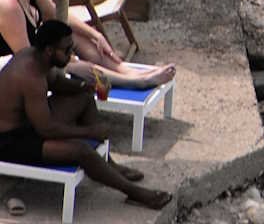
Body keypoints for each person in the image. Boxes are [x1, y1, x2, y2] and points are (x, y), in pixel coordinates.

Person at [0, 21, 171, 209]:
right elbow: (46, 129)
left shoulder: (37, 57)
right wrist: (89, 132)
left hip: (29, 123)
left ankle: (107, 164)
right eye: (66, 50)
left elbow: (56, 82)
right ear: (49, 50)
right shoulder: (29, 76)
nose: (70, 55)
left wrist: (85, 86)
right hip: (10, 141)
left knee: (84, 97)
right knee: (81, 151)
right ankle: (134, 193)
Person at [0, 0, 175, 89]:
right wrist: (66, 61)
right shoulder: (9, 6)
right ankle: (135, 81)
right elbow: (26, 56)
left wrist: (95, 35)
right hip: (15, 68)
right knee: (81, 66)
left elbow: (59, 15)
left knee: (74, 35)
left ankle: (126, 71)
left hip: (38, 54)